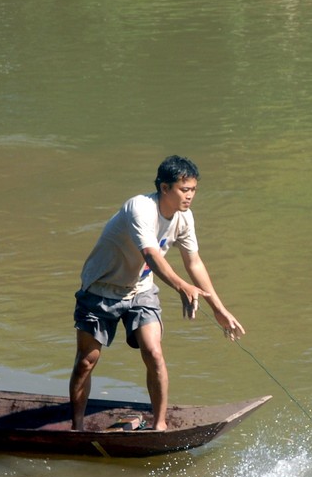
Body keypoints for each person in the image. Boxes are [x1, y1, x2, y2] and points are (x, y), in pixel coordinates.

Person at [69, 155, 244, 431]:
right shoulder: (139, 208)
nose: (190, 196)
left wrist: (218, 309)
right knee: (87, 361)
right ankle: (76, 428)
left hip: (141, 290)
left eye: (194, 190)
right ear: (165, 188)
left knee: (154, 353)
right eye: (184, 190)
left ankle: (159, 426)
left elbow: (193, 262)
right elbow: (150, 254)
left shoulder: (184, 218)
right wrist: (181, 286)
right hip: (101, 289)